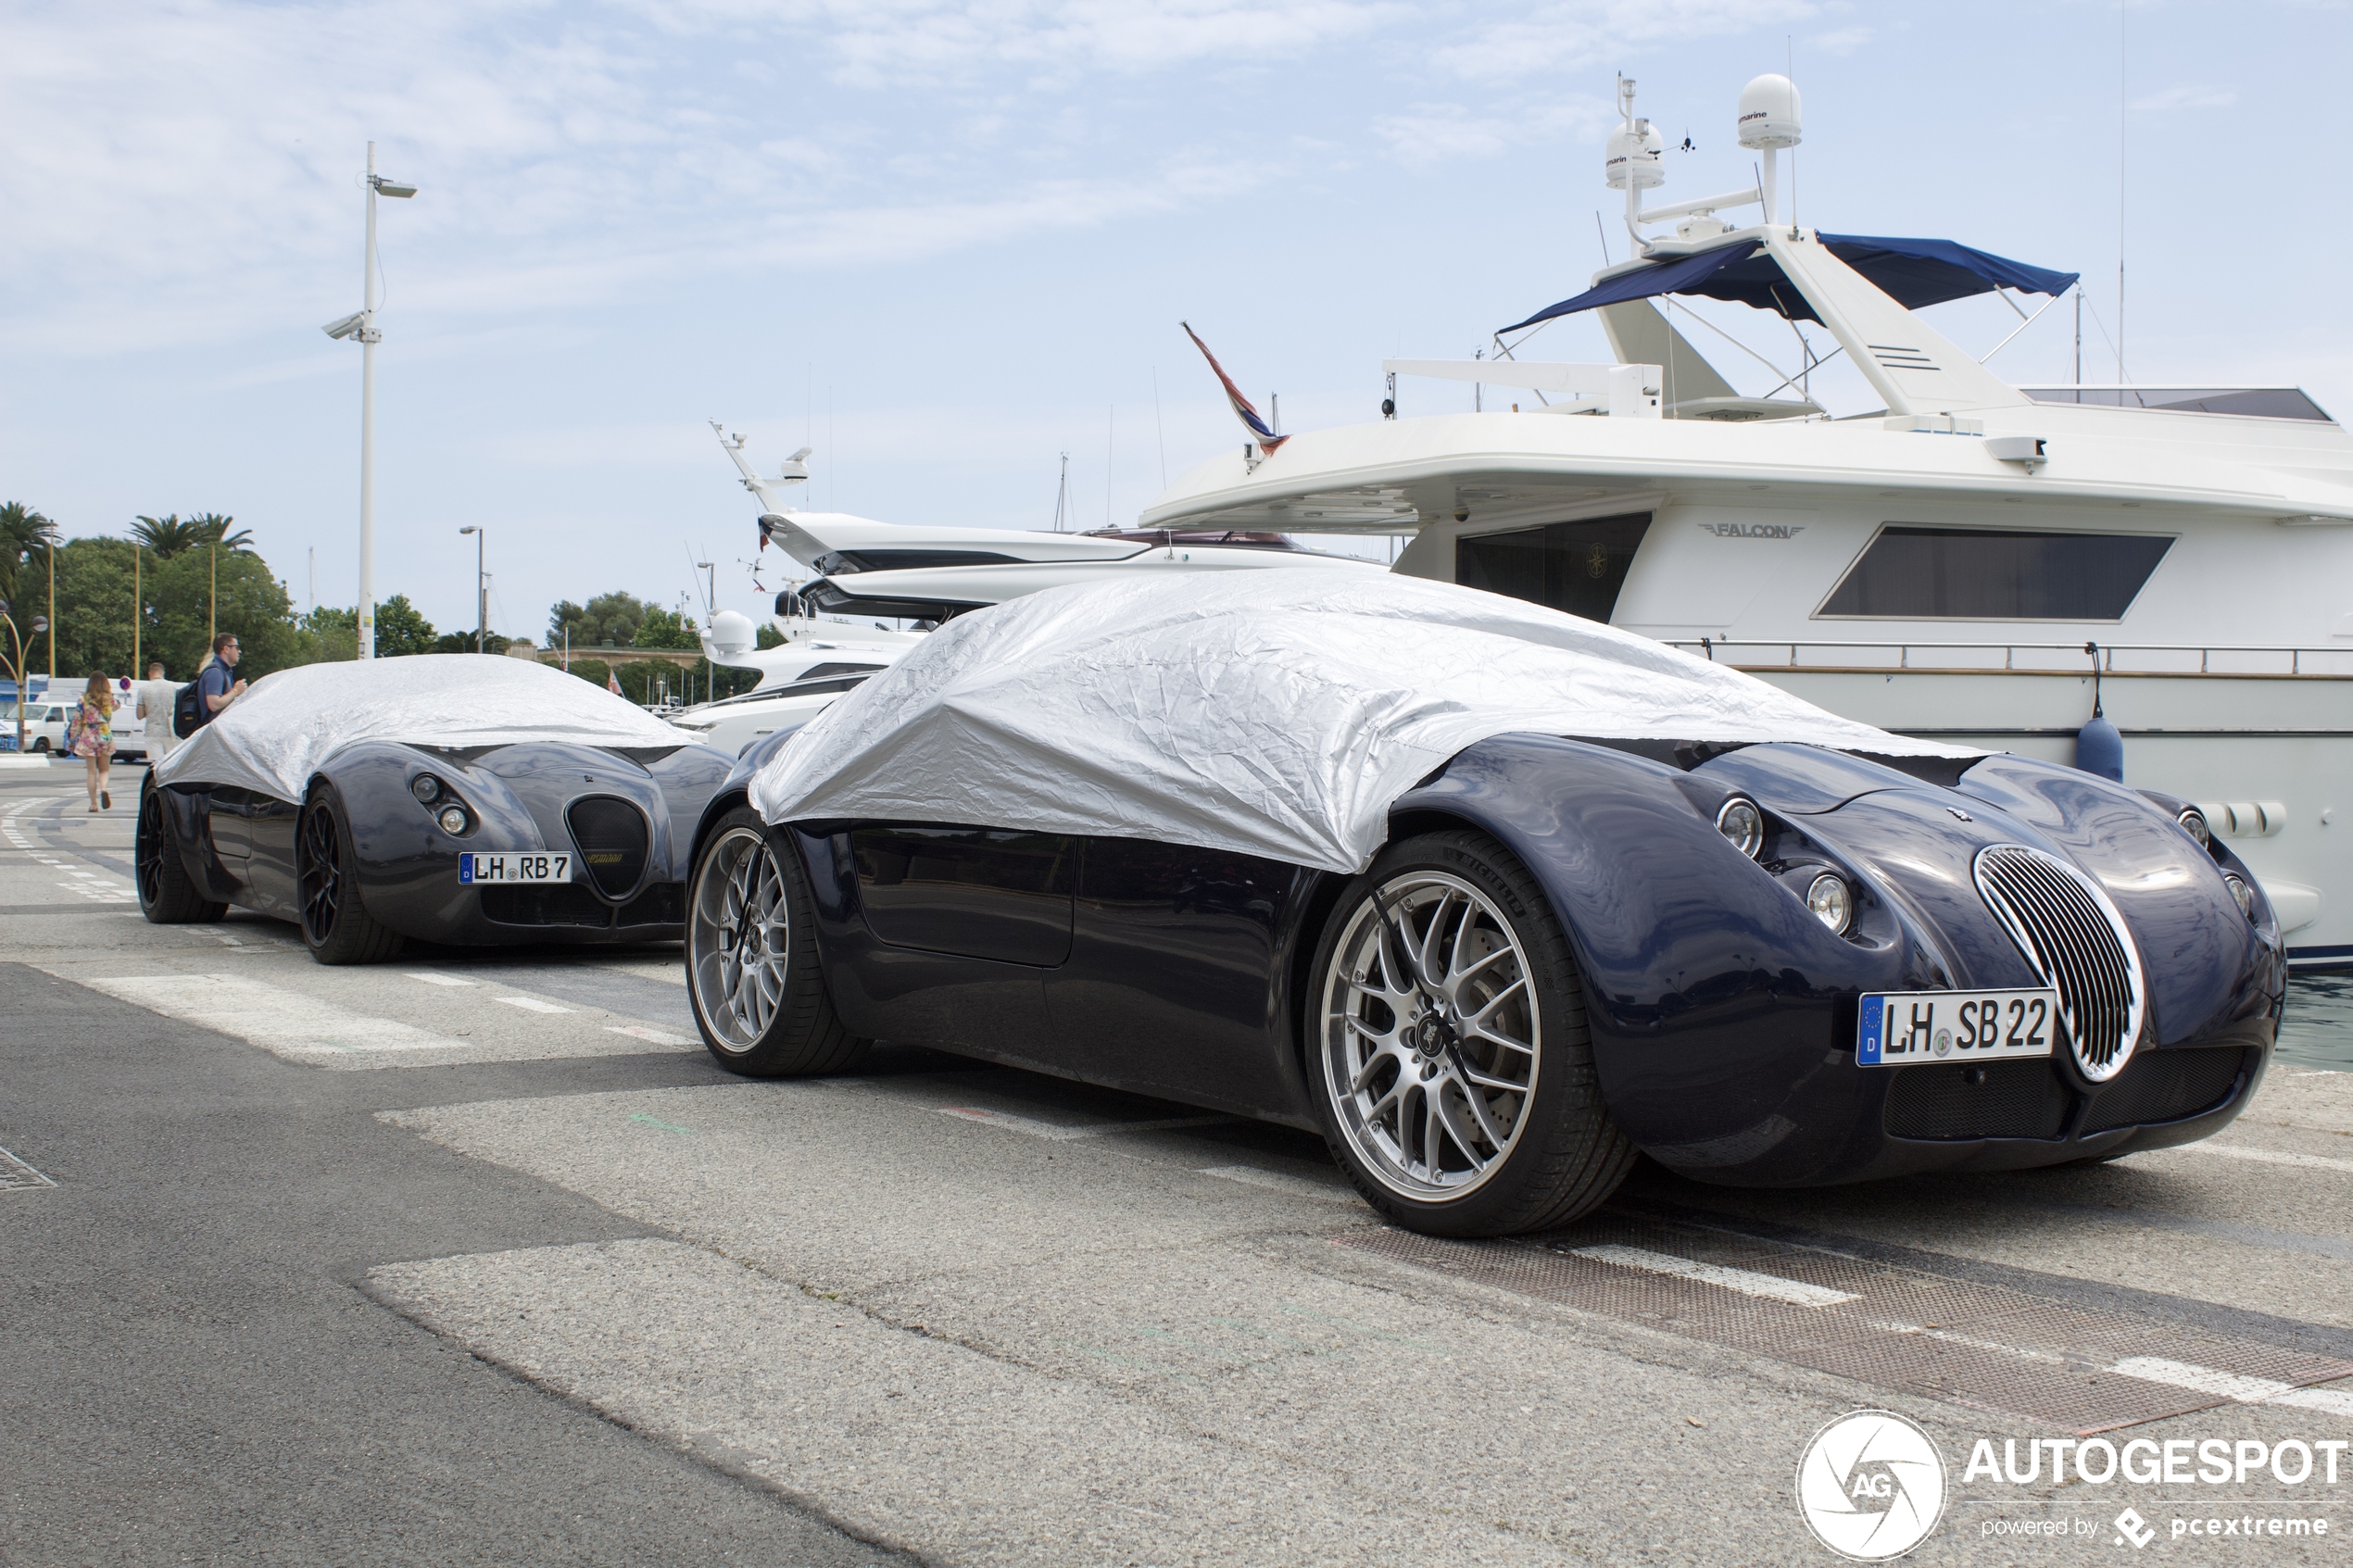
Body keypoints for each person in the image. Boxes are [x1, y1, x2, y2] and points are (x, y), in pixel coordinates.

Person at [69, 671, 117, 812]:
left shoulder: (83, 699)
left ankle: (93, 803)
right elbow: (117, 707)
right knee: (105, 770)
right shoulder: (110, 699)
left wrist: (72, 738)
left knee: (91, 772)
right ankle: (103, 788)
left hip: (88, 734)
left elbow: (77, 720)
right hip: (105, 733)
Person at [133, 660, 179, 765]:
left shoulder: (143, 689)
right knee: (172, 764)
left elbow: (139, 715)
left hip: (152, 732)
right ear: (163, 673)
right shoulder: (172, 687)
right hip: (171, 731)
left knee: (156, 765)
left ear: (150, 673)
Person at [197, 633, 247, 721]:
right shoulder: (215, 672)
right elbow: (214, 705)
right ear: (226, 649)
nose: (239, 651)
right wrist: (235, 691)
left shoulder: (223, 671)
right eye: (237, 647)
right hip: (212, 731)